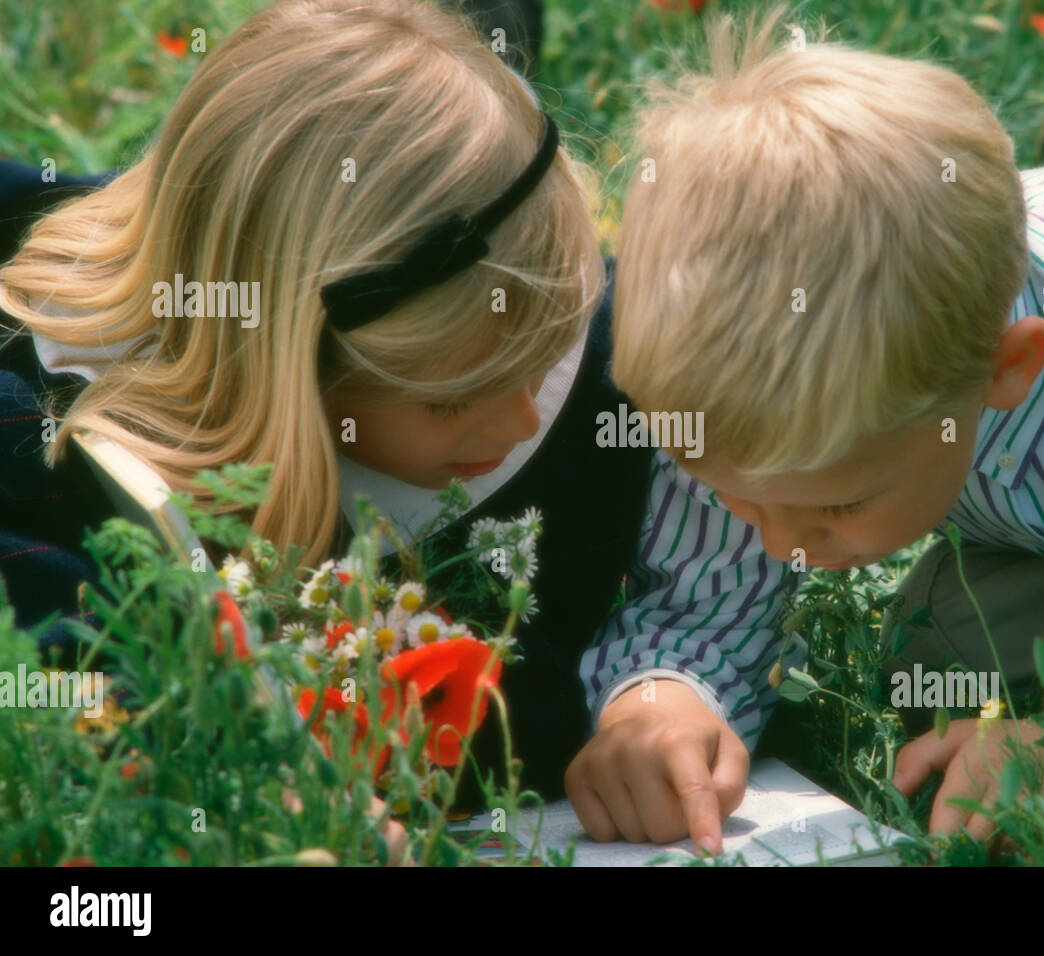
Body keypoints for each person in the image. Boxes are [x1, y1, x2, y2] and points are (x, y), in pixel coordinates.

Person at [0, 0, 797, 853]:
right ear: (284, 363)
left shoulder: (607, 370)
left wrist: (659, 696)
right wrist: (230, 782)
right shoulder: (49, 431)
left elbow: (708, 589)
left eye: (539, 358)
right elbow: (55, 682)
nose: (525, 416)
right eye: (452, 398)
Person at [608, 8, 1044, 841]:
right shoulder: (747, 388)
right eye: (743, 504)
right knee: (942, 658)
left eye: (840, 507)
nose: (783, 547)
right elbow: (703, 610)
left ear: (1006, 368)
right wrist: (663, 700)